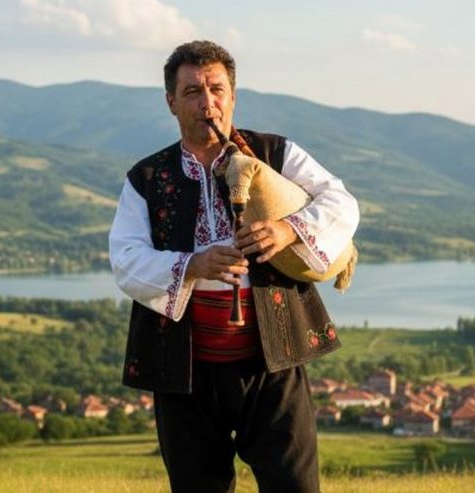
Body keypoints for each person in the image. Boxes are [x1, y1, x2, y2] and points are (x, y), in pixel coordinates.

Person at [109, 40, 359, 493]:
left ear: (233, 96)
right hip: (185, 373)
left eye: (217, 89)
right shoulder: (147, 177)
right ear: (171, 102)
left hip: (273, 364)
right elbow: (125, 259)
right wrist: (194, 264)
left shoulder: (275, 152)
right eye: (192, 92)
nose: (207, 103)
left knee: (295, 487)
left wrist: (288, 230)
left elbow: (341, 202)